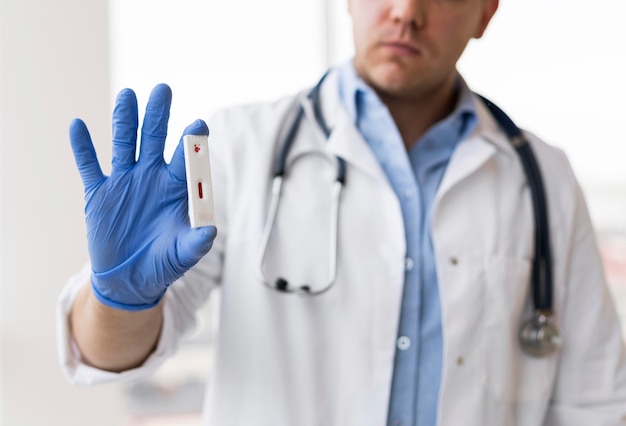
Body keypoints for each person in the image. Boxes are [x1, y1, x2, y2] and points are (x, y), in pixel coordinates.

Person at [57, 0, 626, 424]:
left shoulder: (544, 177)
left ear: (486, 13)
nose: (406, 12)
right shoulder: (236, 148)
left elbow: (594, 402)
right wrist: (119, 295)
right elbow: (107, 354)